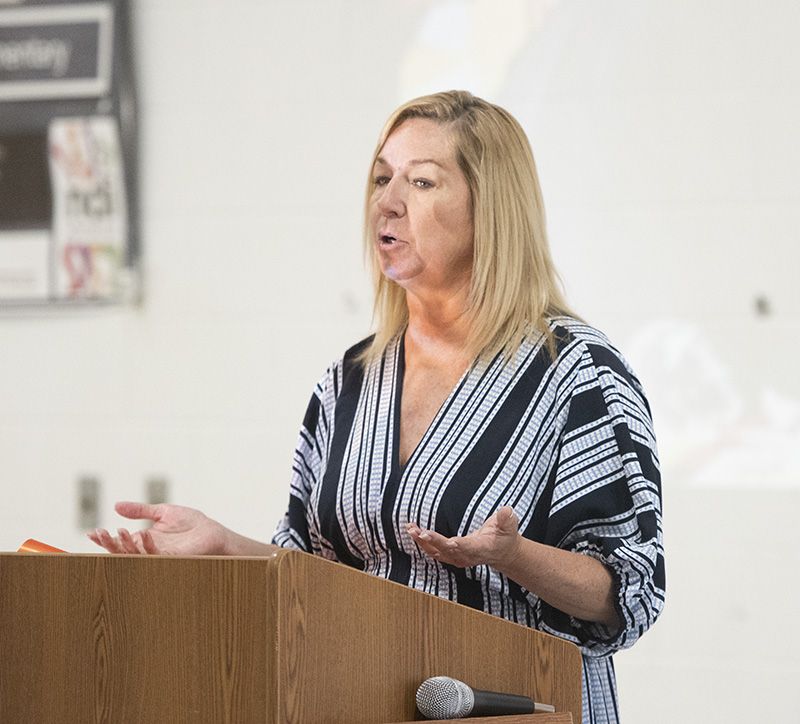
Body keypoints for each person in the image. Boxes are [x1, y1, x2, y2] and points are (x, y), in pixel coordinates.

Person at [89, 90, 665, 724]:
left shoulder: (576, 373)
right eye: (381, 178)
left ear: (490, 209)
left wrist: (513, 554)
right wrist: (223, 544)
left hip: (523, 706)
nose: (387, 202)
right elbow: (315, 570)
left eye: (420, 182)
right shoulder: (351, 378)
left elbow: (627, 596)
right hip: (365, 705)